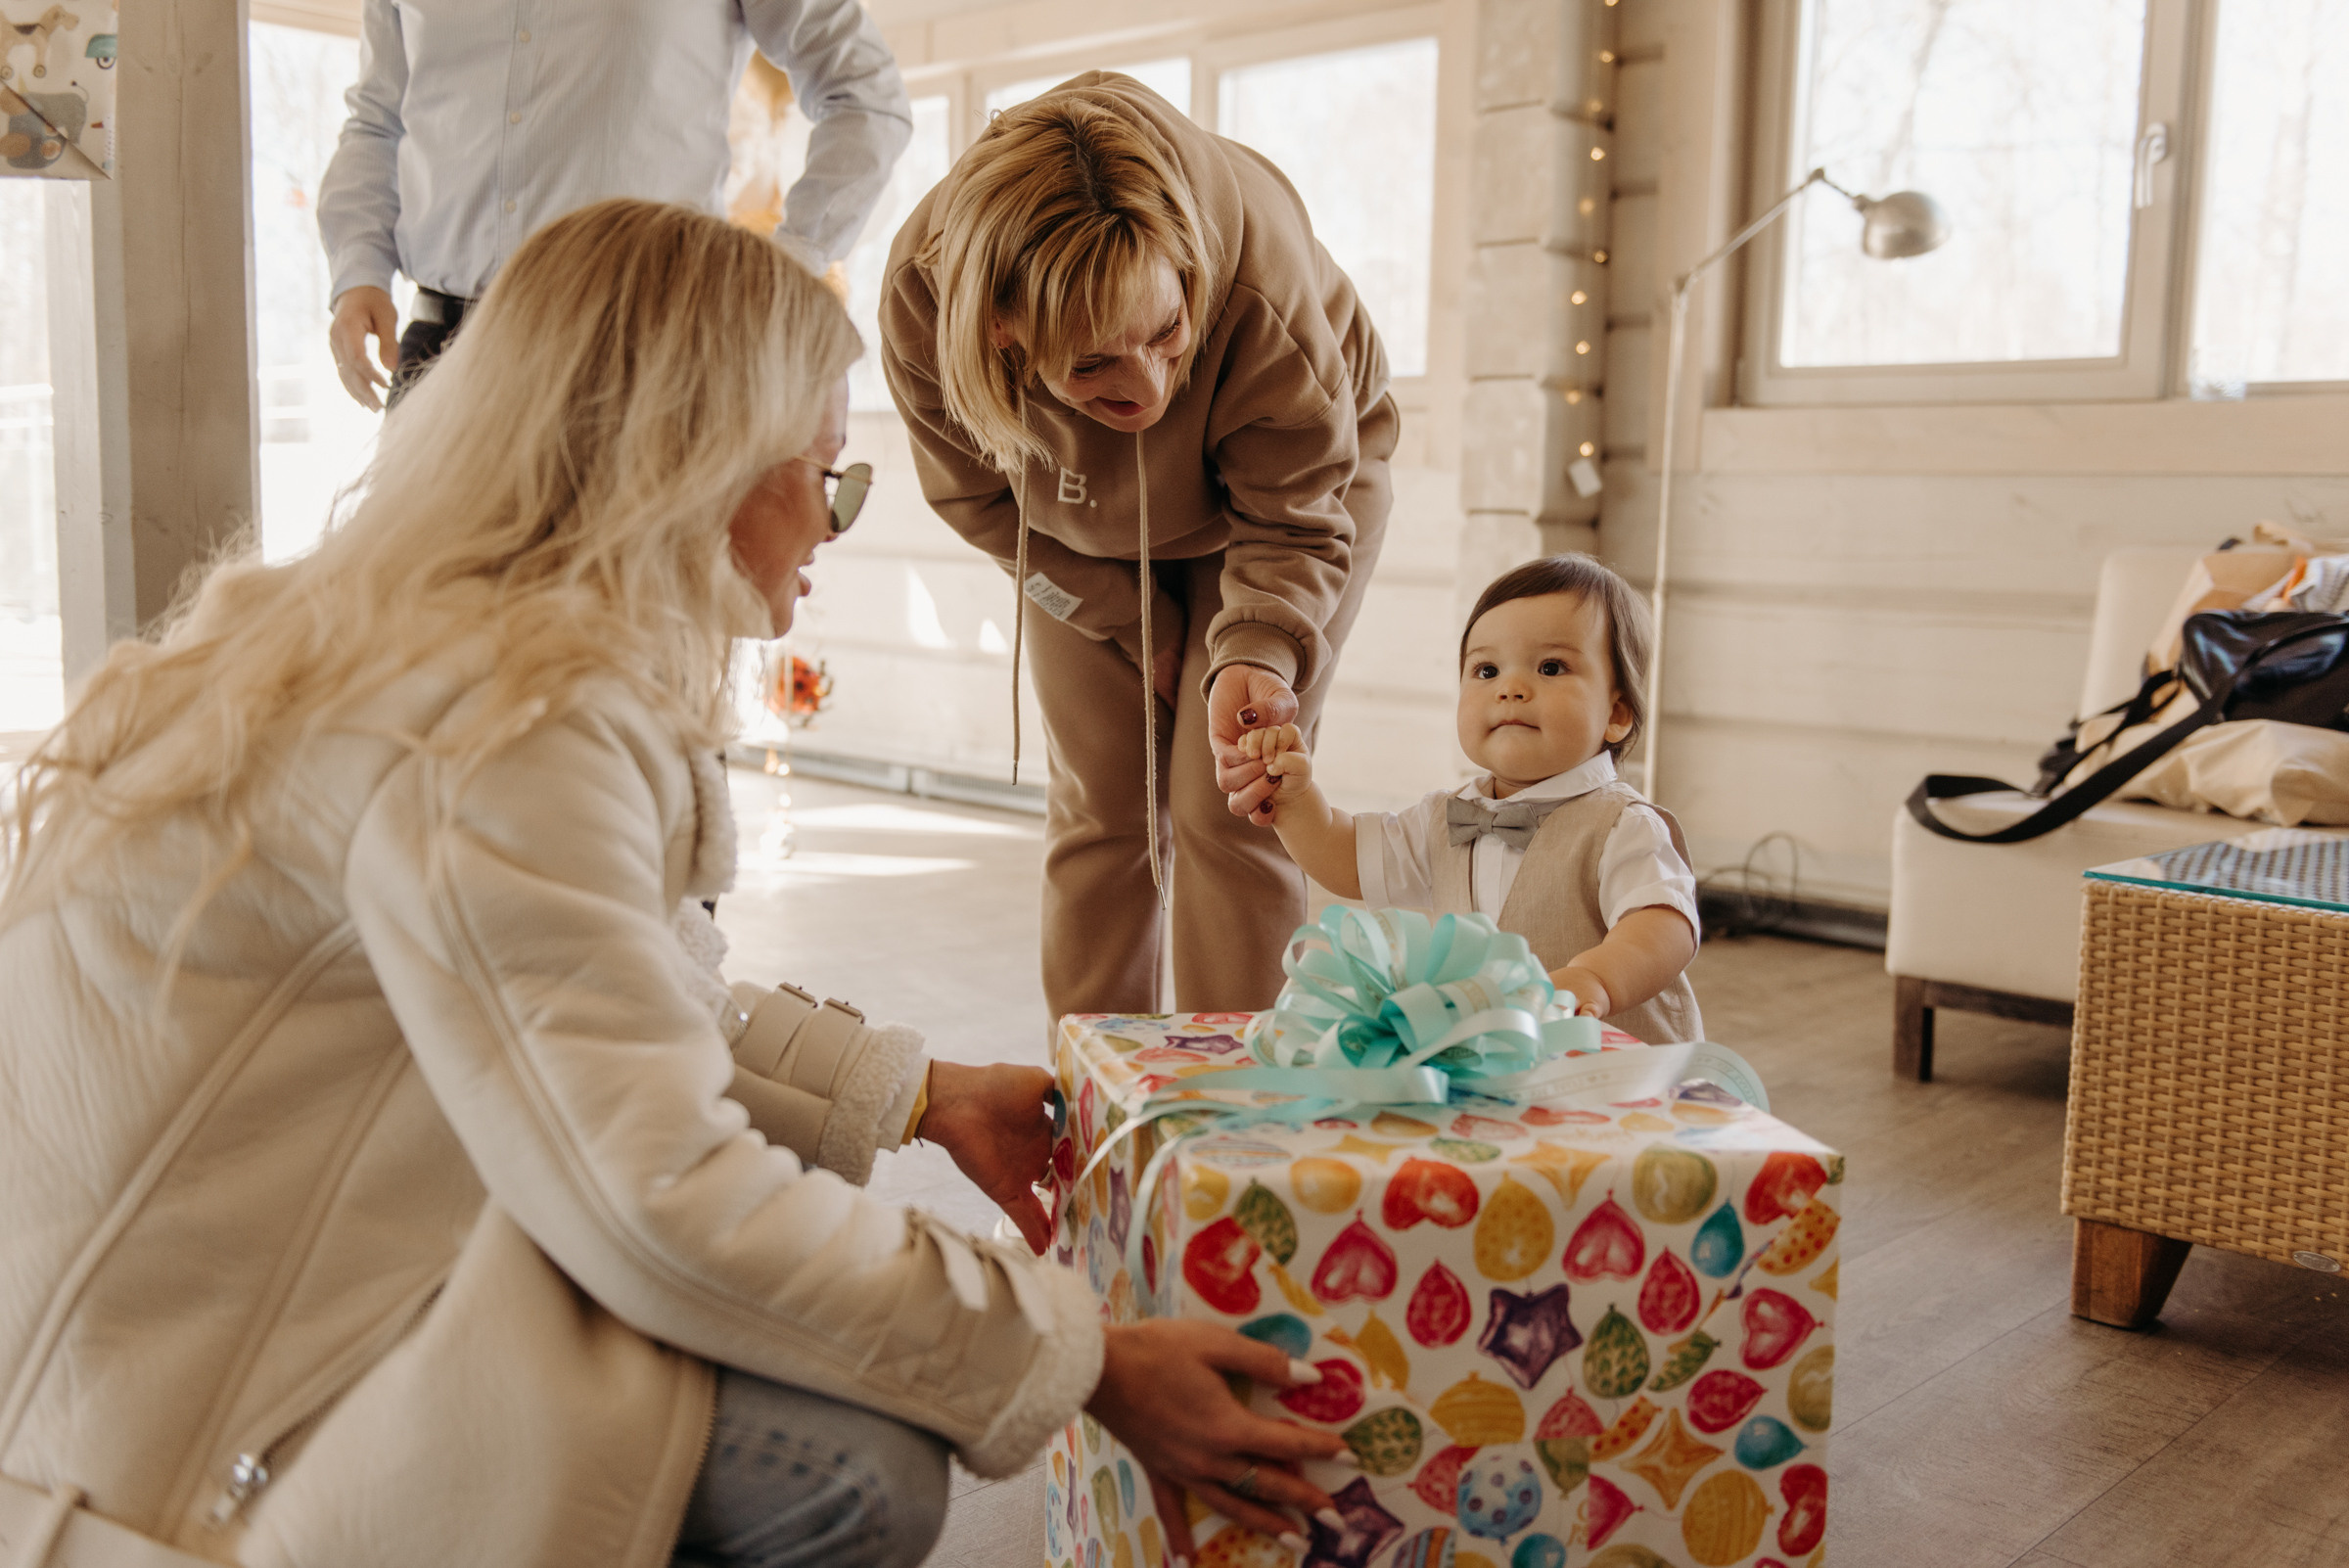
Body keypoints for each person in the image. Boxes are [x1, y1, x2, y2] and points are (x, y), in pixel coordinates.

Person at [0, 201, 1344, 1568]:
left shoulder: (402, 640)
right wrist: (1085, 1357)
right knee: (855, 1467)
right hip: (171, 1458)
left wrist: (922, 1093)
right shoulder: (502, 716)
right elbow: (656, 1193)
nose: (832, 519)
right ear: (696, 460)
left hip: (149, 1355)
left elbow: (585, 997)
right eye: (823, 471)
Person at [879, 71, 1396, 1020]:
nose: (1149, 388)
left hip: (1283, 513)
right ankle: (1094, 1122)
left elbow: (1295, 514)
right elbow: (977, 497)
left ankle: (1227, 1124)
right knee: (1103, 809)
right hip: (1073, 535)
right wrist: (1129, 620)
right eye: (1093, 365)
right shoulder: (925, 305)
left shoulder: (1260, 287)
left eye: (1167, 334)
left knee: (1229, 810)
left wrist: (1253, 649)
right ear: (999, 331)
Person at [318, 0, 912, 410]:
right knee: (408, 597)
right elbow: (376, 124)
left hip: (639, 361)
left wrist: (782, 270)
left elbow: (866, 94)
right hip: (439, 361)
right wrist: (358, 269)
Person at [1237, 554, 1706, 1044]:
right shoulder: (1445, 816)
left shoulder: (1622, 825)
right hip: (1501, 1062)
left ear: (1617, 713)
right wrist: (1294, 800)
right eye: (1486, 670)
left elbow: (1663, 924)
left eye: (1550, 667)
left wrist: (1598, 979)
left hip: (1620, 1071)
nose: (1511, 688)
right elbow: (1346, 857)